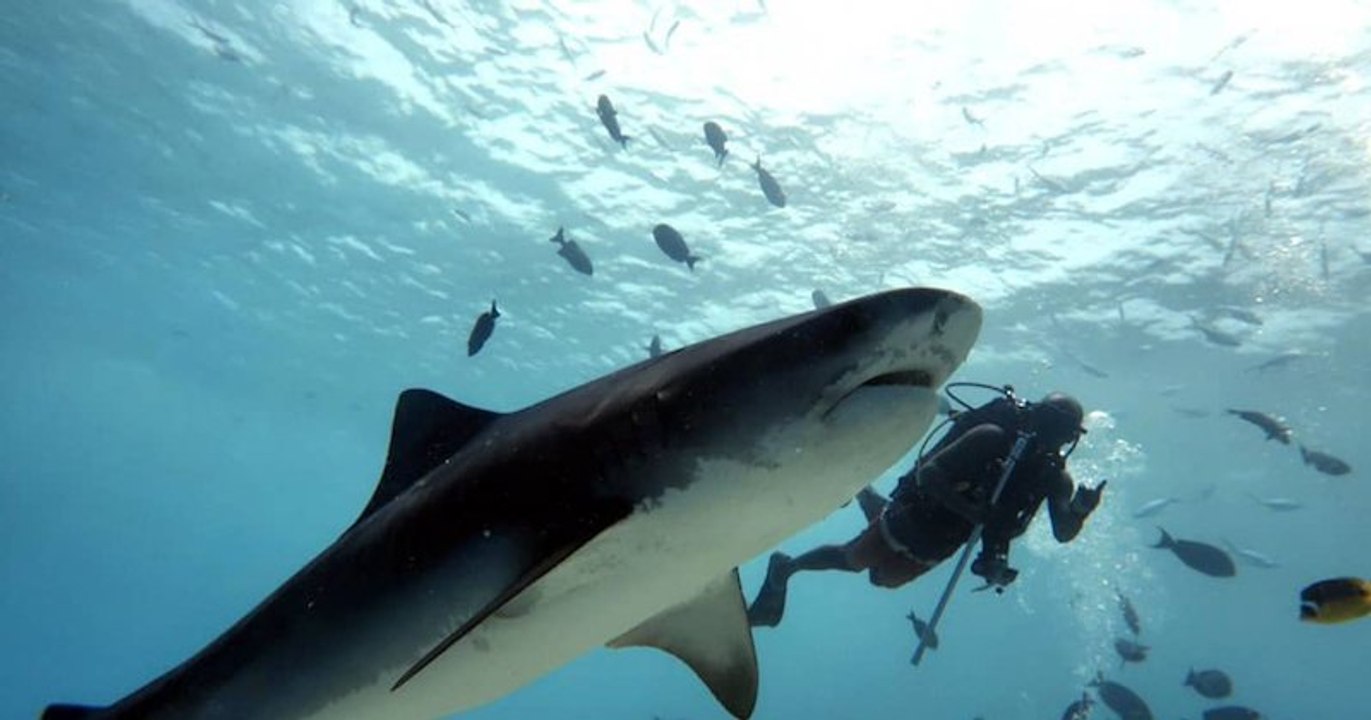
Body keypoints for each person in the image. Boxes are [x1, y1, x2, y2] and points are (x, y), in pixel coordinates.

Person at [747, 390, 1106, 628]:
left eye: (1062, 433)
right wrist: (973, 512)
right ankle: (785, 568)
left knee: (881, 578)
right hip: (918, 514)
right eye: (1052, 425)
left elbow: (1063, 533)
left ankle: (864, 495)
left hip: (944, 543)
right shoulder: (991, 437)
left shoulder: (1055, 478)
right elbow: (929, 473)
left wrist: (1080, 510)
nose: (1052, 437)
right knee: (855, 559)